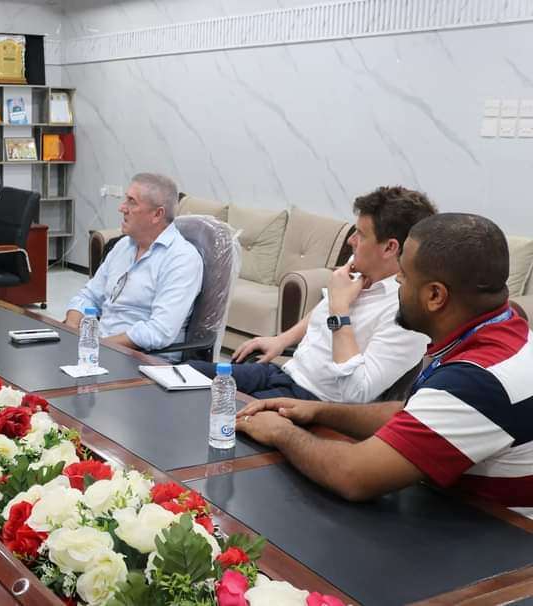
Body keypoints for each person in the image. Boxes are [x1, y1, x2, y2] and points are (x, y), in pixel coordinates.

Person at [237, 213, 532, 517]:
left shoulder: (477, 380)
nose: (398, 283)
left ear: (434, 295)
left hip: (499, 533)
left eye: (403, 276)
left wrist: (281, 432)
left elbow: (354, 476)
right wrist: (320, 411)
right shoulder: (506, 329)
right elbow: (413, 412)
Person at [190, 186, 436, 402]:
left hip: (312, 402)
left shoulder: (409, 314)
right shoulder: (358, 267)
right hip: (286, 373)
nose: (351, 240)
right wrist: (282, 340)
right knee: (187, 374)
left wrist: (340, 310)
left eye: (360, 234)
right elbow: (325, 308)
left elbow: (358, 392)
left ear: (390, 247)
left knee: (210, 414)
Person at [64, 173, 203, 353]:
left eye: (132, 202)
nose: (122, 208)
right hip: (99, 349)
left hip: (142, 358)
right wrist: (71, 331)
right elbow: (89, 296)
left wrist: (99, 345)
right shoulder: (123, 246)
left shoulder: (181, 259)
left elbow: (159, 331)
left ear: (157, 214)